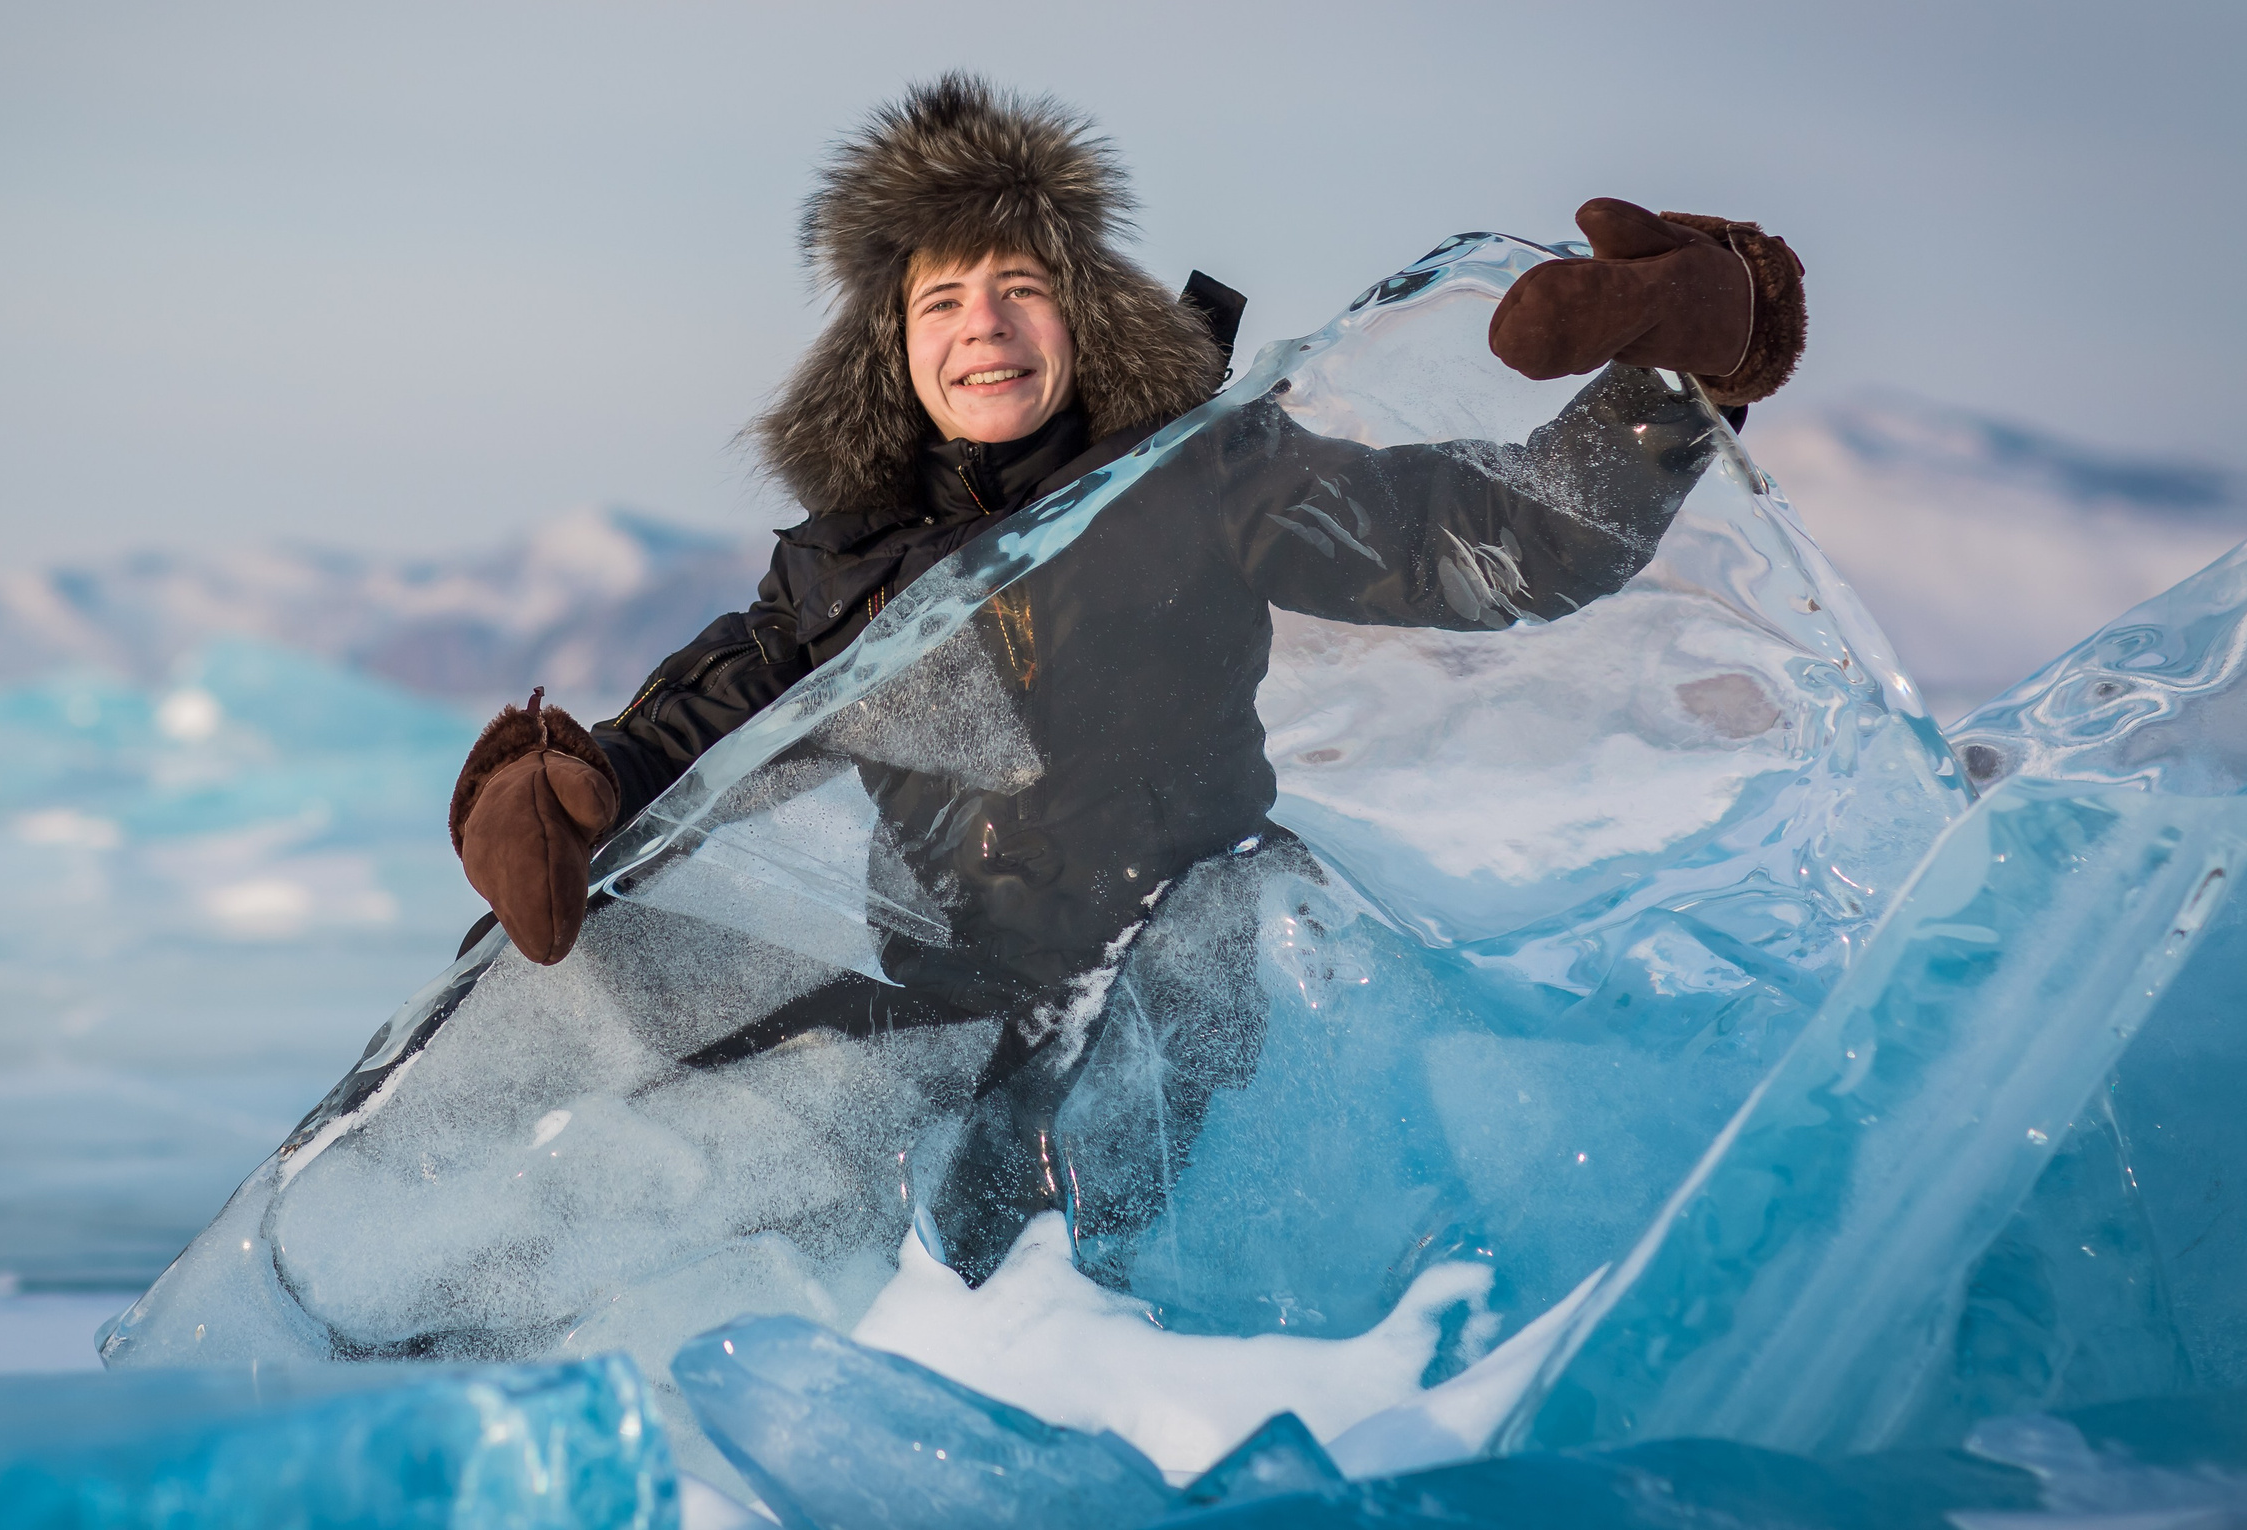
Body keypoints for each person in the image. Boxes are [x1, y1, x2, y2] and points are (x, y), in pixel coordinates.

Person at [446, 74, 1806, 1280]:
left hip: (1183, 1008)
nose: (984, 326)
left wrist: (1674, 367)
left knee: (1045, 1240)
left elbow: (1504, 544)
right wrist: (560, 787)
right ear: (894, 348)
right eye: (941, 300)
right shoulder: (842, 573)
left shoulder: (1198, 479)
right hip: (952, 1023)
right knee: (654, 1089)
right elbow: (692, 734)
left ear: (1081, 315)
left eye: (1020, 287)